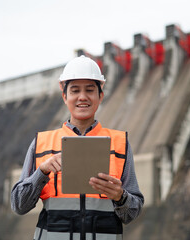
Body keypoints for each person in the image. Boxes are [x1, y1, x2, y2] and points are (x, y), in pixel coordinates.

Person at [11, 55, 144, 240]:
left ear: (101, 96)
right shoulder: (41, 142)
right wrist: (41, 172)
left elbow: (132, 213)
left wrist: (120, 196)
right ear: (65, 97)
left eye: (90, 90)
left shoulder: (120, 143)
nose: (82, 97)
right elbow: (19, 205)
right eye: (75, 90)